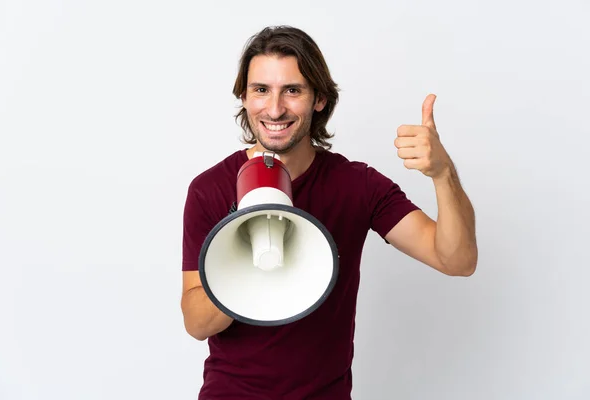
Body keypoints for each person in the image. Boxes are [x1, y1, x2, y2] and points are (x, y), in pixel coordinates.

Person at [180, 25, 477, 399]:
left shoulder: (357, 186)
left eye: (292, 90)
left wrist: (443, 173)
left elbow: (457, 260)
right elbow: (196, 322)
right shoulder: (209, 188)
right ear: (243, 97)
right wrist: (251, 254)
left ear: (319, 98)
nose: (274, 108)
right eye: (261, 90)